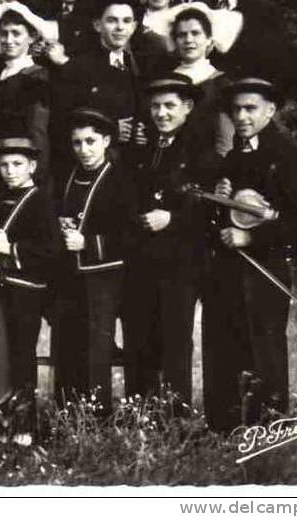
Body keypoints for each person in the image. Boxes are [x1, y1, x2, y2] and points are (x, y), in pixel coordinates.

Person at [202, 78, 297, 431]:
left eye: (250, 108)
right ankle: (223, 427)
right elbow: (220, 217)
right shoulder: (232, 156)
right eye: (236, 109)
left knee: (263, 343)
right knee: (223, 340)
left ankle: (268, 426)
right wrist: (218, 198)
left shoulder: (288, 156)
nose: (241, 116)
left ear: (270, 110)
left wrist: (251, 239)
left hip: (265, 267)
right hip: (225, 269)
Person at [123, 75, 208, 413]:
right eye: (155, 106)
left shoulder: (201, 149)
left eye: (170, 105)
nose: (161, 113)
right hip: (141, 258)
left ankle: (175, 414)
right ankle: (138, 410)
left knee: (174, 338)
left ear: (187, 108)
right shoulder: (145, 148)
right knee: (139, 334)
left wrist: (173, 218)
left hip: (180, 261)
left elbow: (209, 207)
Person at [52, 108, 138, 415]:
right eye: (77, 143)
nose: (84, 150)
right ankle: (65, 414)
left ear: (105, 141)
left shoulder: (120, 179)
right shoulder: (67, 175)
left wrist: (88, 243)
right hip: (69, 274)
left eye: (90, 141)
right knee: (65, 342)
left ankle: (97, 416)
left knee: (95, 348)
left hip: (104, 276)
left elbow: (130, 235)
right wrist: (59, 224)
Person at [0, 135, 59, 441]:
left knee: (22, 356)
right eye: (4, 164)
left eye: (17, 164)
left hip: (27, 291)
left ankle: (25, 425)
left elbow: (51, 250)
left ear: (32, 166)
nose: (10, 170)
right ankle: (1, 424)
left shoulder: (41, 200)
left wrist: (11, 248)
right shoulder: (0, 198)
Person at [49, 0, 150, 177]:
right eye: (112, 21)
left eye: (126, 21)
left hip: (132, 167)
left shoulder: (139, 66)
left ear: (134, 26)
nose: (120, 28)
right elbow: (61, 124)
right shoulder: (77, 68)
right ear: (97, 25)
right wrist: (110, 130)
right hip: (91, 170)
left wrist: (142, 132)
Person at [0, 2, 59, 184]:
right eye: (4, 33)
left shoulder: (37, 76)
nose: (8, 40)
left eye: (16, 33)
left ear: (31, 37)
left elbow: (38, 131)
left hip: (22, 172)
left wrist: (35, 175)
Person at [168, 4, 235, 159]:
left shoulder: (221, 84)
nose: (188, 39)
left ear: (208, 40)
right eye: (182, 35)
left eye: (196, 33)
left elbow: (225, 142)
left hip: (206, 166)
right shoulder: (166, 81)